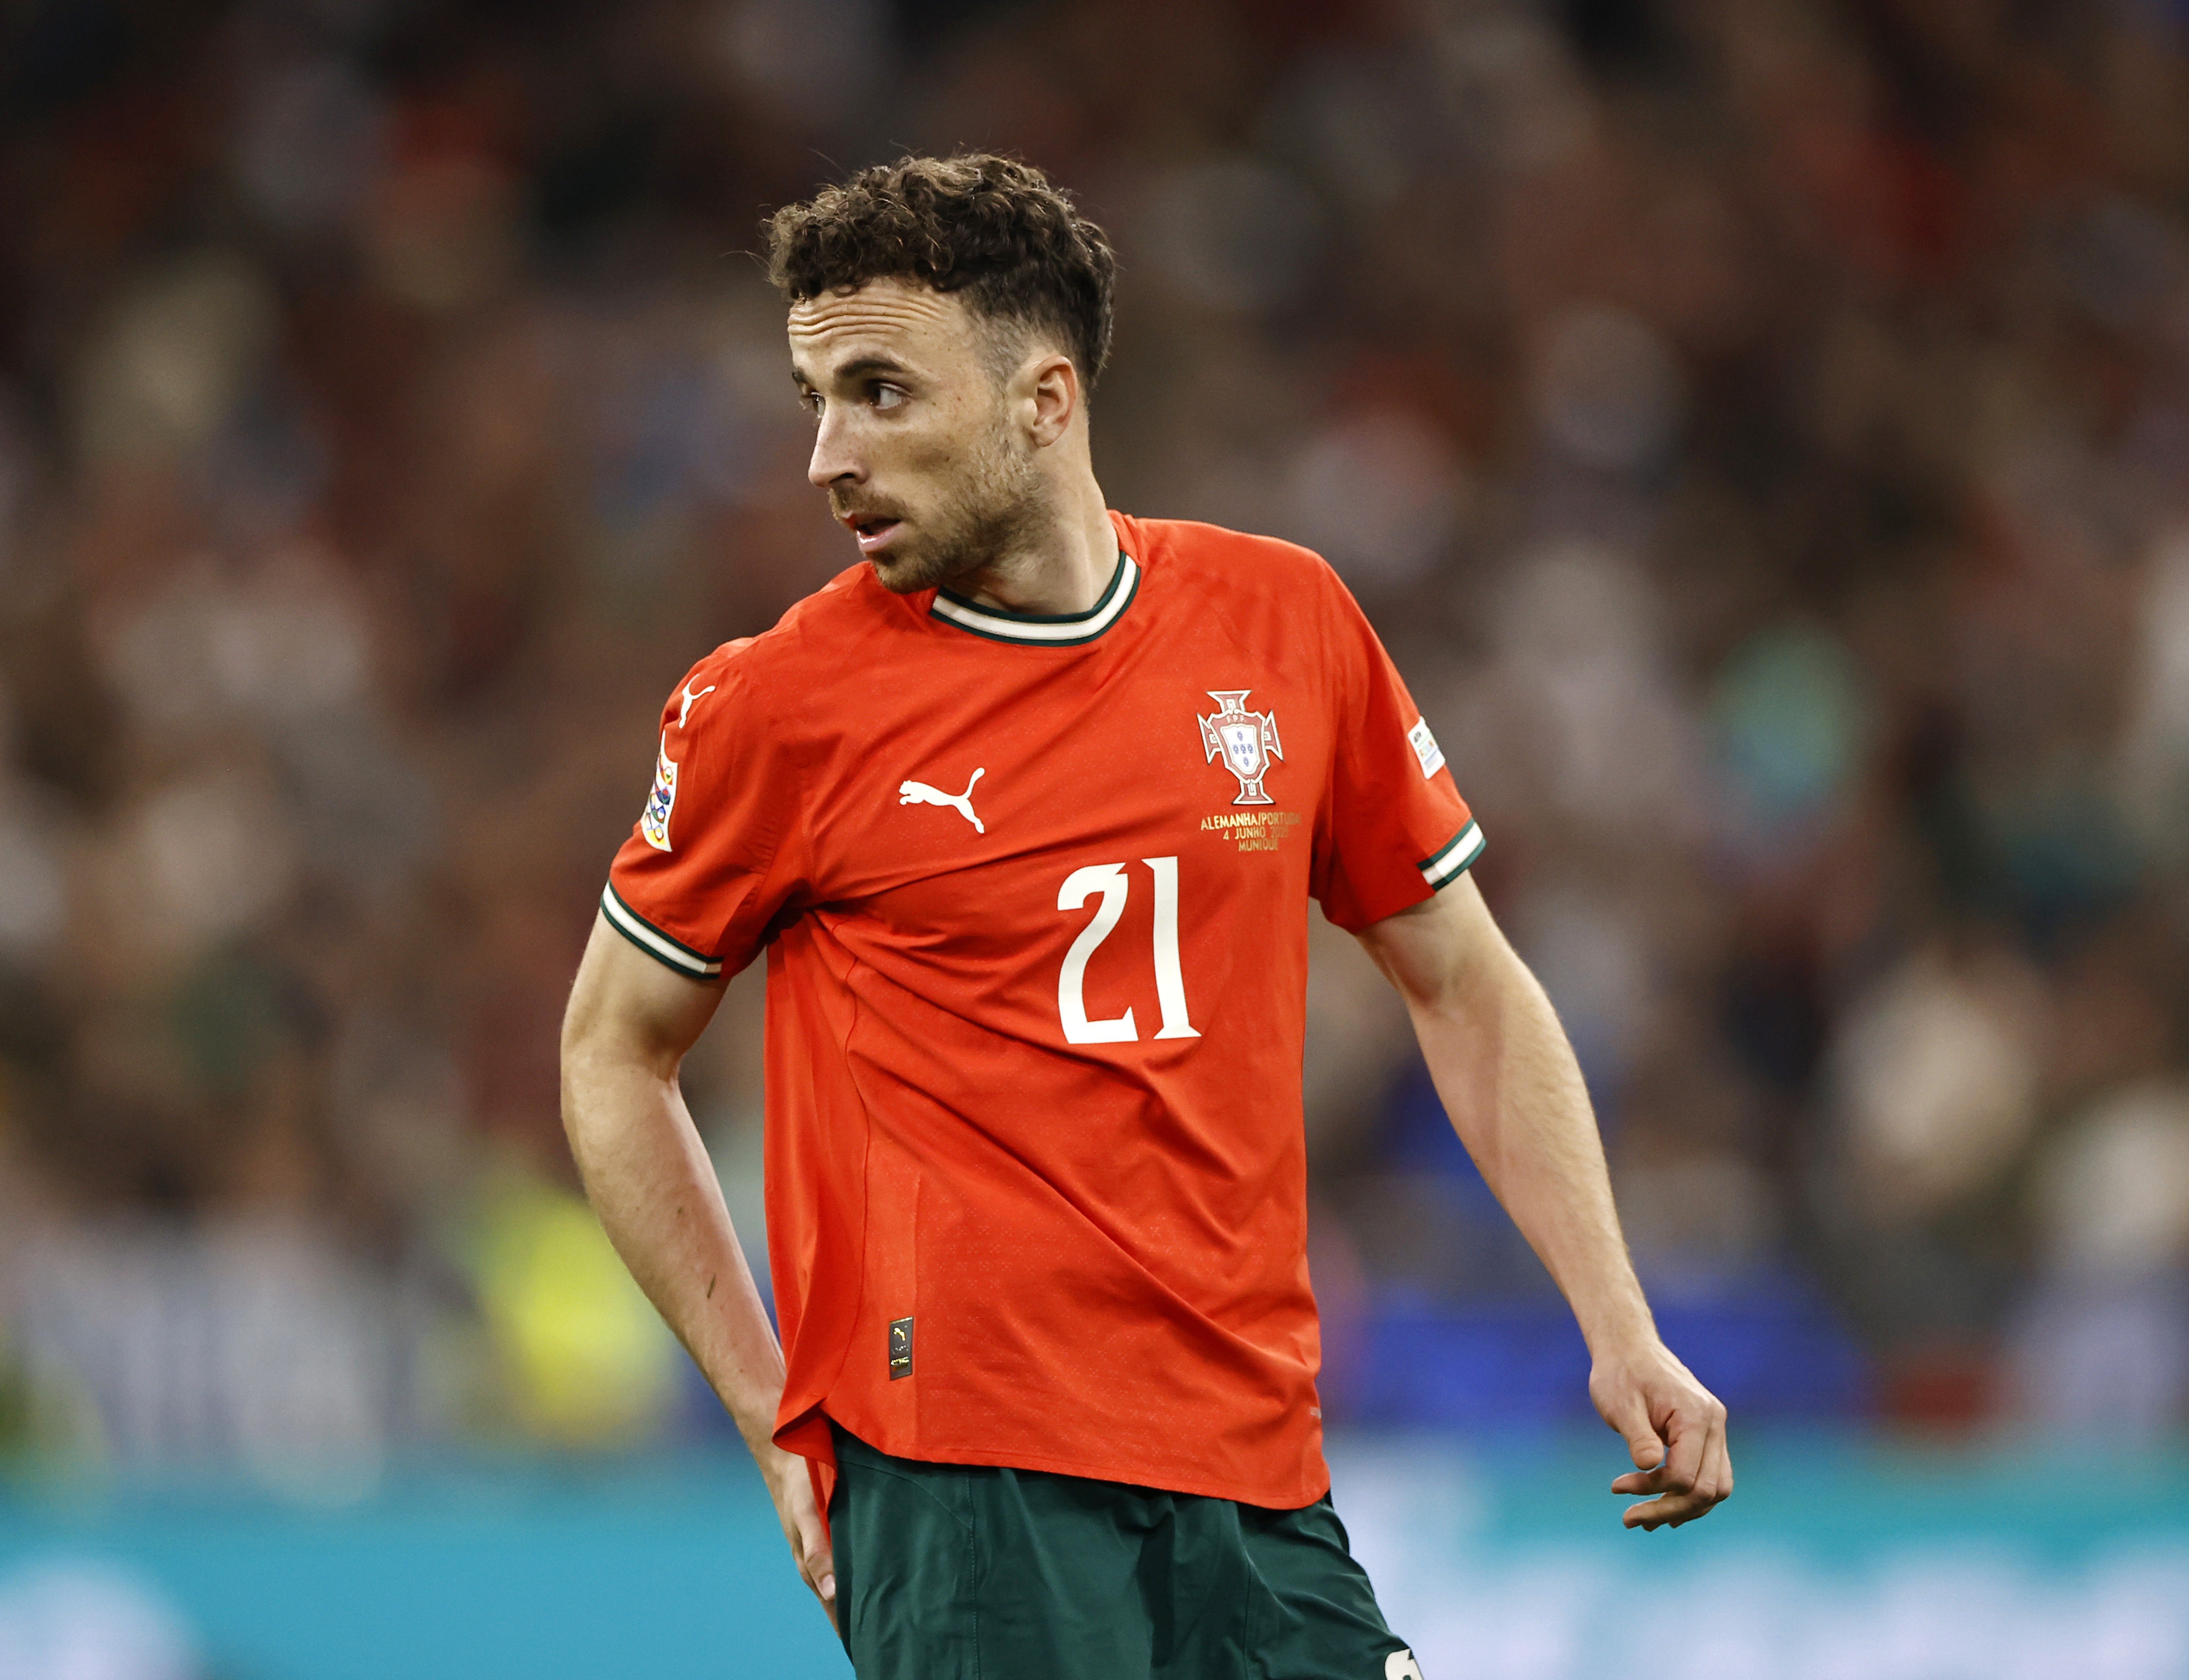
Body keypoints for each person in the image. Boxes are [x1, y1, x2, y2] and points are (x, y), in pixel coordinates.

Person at [559, 152, 1729, 1679]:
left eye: (881, 393)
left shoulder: (1287, 623)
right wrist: (768, 1408)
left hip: (1256, 1463)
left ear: (1046, 400)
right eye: (815, 400)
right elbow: (610, 1051)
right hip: (969, 1483)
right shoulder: (777, 707)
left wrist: (1619, 1321)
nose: (828, 455)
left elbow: (1466, 983)